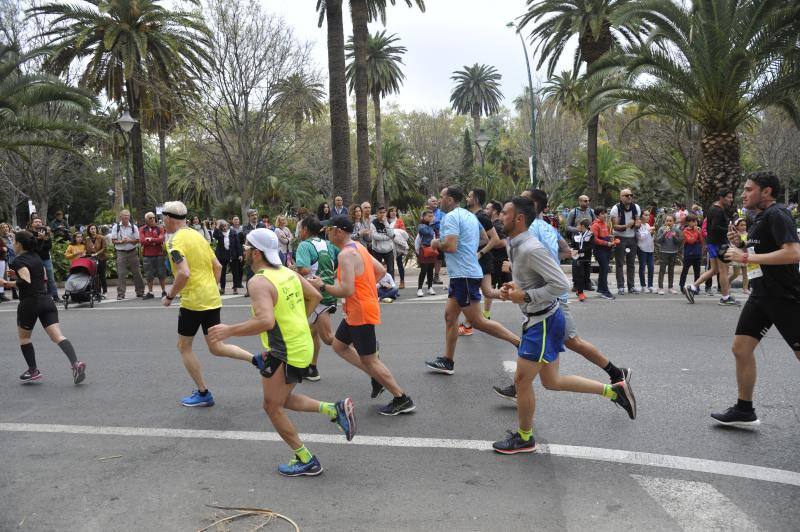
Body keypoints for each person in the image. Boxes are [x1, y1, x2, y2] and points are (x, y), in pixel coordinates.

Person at [491, 198, 635, 454]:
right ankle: (614, 392)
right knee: (552, 382)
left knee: (521, 381)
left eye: (504, 212)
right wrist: (515, 288)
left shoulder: (531, 248)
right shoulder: (514, 243)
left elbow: (561, 285)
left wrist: (524, 296)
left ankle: (525, 438)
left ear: (519, 219)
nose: (499, 216)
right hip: (540, 319)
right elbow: (531, 282)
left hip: (543, 321)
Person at [207, 228, 355, 476]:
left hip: (285, 350)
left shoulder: (258, 282)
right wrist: (298, 320)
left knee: (271, 406)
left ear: (256, 252)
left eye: (245, 248)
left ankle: (306, 458)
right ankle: (334, 409)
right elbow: (316, 295)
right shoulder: (287, 271)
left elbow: (265, 321)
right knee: (282, 399)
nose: (243, 251)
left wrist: (228, 330)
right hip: (300, 344)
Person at [710, 172, 800, 427]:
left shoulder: (778, 214)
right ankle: (744, 410)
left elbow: (793, 253)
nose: (744, 194)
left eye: (749, 189)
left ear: (767, 191)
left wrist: (747, 258)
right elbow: (763, 248)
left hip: (784, 296)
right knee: (741, 349)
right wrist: (742, 244)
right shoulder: (759, 217)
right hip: (761, 296)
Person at [309, 215, 415, 416]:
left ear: (338, 231)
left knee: (370, 360)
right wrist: (364, 288)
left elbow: (346, 290)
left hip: (360, 311)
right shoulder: (357, 247)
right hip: (358, 309)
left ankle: (401, 398)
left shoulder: (345, 255)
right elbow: (381, 270)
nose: (327, 232)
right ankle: (375, 376)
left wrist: (322, 285)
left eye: (329, 229)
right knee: (339, 346)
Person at [161, 201, 259, 407]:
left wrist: (170, 296)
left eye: (163, 218)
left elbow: (184, 272)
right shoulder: (199, 236)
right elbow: (218, 266)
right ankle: (256, 359)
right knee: (216, 346)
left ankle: (203, 393)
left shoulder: (173, 241)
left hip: (193, 302)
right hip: (212, 298)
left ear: (169, 218)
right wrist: (211, 287)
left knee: (184, 346)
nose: (163, 222)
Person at [424, 186, 520, 375]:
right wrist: (467, 248)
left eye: (442, 197)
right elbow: (484, 238)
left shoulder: (451, 217)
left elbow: (450, 246)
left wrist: (436, 244)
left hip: (464, 275)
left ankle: (520, 343)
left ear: (450, 200)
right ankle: (448, 361)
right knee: (450, 317)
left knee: (478, 321)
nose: (439, 201)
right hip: (462, 273)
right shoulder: (470, 216)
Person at [2, 230, 86, 384]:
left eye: (14, 242)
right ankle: (75, 363)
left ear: (19, 244)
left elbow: (26, 282)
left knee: (24, 338)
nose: (13, 244)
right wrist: (17, 276)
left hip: (30, 303)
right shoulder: (37, 258)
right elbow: (35, 278)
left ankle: (33, 370)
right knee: (57, 336)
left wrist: (7, 283)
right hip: (46, 300)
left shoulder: (19, 261)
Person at [294, 216, 339, 382]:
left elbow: (304, 270)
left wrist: (293, 270)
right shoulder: (328, 244)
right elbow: (339, 261)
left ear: (305, 229)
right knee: (312, 331)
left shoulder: (304, 246)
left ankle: (364, 347)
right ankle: (312, 369)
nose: (299, 232)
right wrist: (329, 275)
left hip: (316, 296)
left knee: (328, 338)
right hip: (327, 291)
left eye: (300, 228)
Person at [682, 189, 738, 305]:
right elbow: (714, 228)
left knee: (714, 269)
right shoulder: (718, 210)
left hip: (713, 243)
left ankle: (692, 287)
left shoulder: (714, 208)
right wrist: (727, 229)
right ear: (721, 198)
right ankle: (725, 297)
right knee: (723, 270)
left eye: (731, 197)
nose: (731, 199)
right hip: (720, 244)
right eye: (728, 197)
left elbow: (710, 228)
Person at [464, 188, 500, 328]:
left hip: (482, 261)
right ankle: (521, 296)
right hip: (477, 260)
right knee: (487, 292)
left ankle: (468, 324)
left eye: (469, 196)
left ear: (476, 199)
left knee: (473, 293)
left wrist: (480, 253)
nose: (467, 199)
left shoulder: (482, 217)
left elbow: (494, 239)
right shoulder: (472, 215)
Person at [610, 189, 641, 294]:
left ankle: (631, 286)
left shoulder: (636, 207)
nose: (629, 197)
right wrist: (628, 225)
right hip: (620, 237)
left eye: (631, 195)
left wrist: (637, 224)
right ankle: (620, 286)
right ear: (621, 197)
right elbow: (615, 226)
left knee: (631, 263)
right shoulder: (616, 209)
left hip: (632, 238)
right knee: (619, 263)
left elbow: (638, 222)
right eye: (626, 195)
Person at [484, 200, 511, 317]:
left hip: (499, 262)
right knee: (489, 291)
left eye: (488, 208)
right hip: (494, 262)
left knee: (508, 291)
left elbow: (504, 242)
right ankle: (485, 314)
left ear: (494, 211)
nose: (485, 210)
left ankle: (530, 303)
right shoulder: (492, 225)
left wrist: (486, 244)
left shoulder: (498, 226)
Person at [111, 210, 145, 301]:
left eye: (128, 216)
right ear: (121, 217)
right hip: (121, 252)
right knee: (121, 273)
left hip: (132, 251)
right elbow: (113, 240)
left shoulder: (134, 227)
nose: (126, 217)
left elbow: (138, 240)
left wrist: (129, 240)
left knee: (137, 272)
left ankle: (140, 291)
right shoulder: (116, 227)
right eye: (124, 216)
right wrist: (121, 241)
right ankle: (121, 293)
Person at [566, 195, 596, 292]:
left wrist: (590, 230)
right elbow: (568, 226)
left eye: (588, 200)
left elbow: (595, 223)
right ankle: (576, 284)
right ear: (579, 202)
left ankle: (587, 283)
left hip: (587, 241)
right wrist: (578, 229)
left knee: (587, 262)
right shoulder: (573, 212)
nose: (587, 202)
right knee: (576, 264)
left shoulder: (591, 212)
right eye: (585, 201)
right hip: (577, 241)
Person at [29, 216, 60, 302]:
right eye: (36, 222)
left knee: (51, 278)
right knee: (37, 278)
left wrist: (43, 239)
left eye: (39, 222)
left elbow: (48, 247)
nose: (38, 223)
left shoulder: (46, 234)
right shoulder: (30, 234)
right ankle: (41, 296)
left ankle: (55, 296)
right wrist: (39, 239)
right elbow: (33, 247)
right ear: (32, 224)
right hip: (35, 259)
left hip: (46, 259)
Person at [139, 212, 167, 299]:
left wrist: (150, 239)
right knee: (149, 274)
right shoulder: (142, 229)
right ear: (146, 220)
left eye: (153, 217)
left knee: (161, 273)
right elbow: (142, 241)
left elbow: (161, 239)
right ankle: (150, 292)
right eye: (150, 218)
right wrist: (155, 240)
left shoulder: (160, 228)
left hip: (159, 254)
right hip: (147, 255)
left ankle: (164, 291)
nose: (152, 219)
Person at [213, 219, 243, 295]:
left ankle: (235, 288)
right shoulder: (219, 233)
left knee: (235, 272)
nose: (224, 227)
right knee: (222, 272)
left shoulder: (233, 232)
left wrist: (240, 254)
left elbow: (238, 244)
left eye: (225, 225)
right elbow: (214, 236)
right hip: (222, 255)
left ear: (228, 225)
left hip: (233, 254)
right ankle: (222, 288)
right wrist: (217, 226)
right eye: (222, 226)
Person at [591, 207, 615, 300]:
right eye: (602, 213)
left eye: (605, 213)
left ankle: (601, 289)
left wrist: (612, 240)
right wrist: (606, 243)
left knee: (603, 270)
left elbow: (607, 235)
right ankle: (605, 291)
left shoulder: (605, 224)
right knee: (604, 270)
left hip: (607, 249)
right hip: (600, 250)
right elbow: (595, 239)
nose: (605, 215)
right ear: (597, 215)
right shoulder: (595, 225)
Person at [240, 209, 266, 293]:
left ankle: (262, 288)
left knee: (262, 270)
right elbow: (246, 234)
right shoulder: (245, 227)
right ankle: (249, 290)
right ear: (249, 217)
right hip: (250, 252)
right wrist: (257, 232)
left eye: (255, 215)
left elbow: (264, 234)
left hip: (261, 251)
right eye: (252, 215)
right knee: (250, 271)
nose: (255, 217)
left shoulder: (262, 225)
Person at [656, 214, 682, 295]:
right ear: (665, 222)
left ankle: (670, 287)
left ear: (674, 222)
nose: (668, 222)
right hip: (664, 252)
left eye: (670, 221)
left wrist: (674, 237)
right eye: (667, 221)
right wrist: (664, 234)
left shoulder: (676, 230)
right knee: (662, 270)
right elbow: (658, 240)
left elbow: (679, 242)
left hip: (673, 252)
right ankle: (660, 287)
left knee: (671, 270)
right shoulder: (661, 229)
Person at [571, 219, 594, 302]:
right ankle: (580, 292)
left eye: (578, 225)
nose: (577, 227)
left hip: (586, 258)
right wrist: (573, 251)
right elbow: (573, 245)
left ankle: (579, 290)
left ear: (582, 226)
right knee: (579, 275)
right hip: (578, 258)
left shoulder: (590, 235)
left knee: (585, 275)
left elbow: (590, 247)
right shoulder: (576, 234)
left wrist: (579, 251)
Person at [416, 209, 437, 297]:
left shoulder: (432, 226)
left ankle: (430, 287)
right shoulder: (421, 226)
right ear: (423, 217)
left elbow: (434, 234)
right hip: (423, 249)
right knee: (423, 269)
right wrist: (431, 225)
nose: (431, 218)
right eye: (429, 216)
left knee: (431, 269)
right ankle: (419, 289)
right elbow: (426, 232)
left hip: (431, 249)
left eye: (432, 216)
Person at [679, 214, 703, 291]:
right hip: (688, 255)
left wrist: (699, 233)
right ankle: (682, 286)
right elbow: (691, 241)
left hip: (697, 254)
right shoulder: (685, 231)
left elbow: (702, 241)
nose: (695, 223)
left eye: (696, 221)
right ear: (688, 222)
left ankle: (696, 286)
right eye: (693, 221)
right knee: (685, 271)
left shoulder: (698, 230)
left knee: (697, 272)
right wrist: (696, 233)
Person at [369, 206, 395, 278]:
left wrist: (385, 223)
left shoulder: (389, 222)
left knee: (390, 269)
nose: (382, 214)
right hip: (377, 250)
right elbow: (375, 236)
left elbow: (392, 234)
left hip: (389, 250)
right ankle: (377, 286)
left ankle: (391, 285)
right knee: (377, 269)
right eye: (380, 213)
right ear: (377, 214)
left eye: (384, 212)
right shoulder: (373, 223)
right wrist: (387, 237)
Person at [727, 218, 750, 295]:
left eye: (745, 225)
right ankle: (727, 282)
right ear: (737, 226)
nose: (744, 227)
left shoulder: (747, 234)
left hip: (746, 255)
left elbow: (748, 244)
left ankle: (745, 288)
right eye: (741, 225)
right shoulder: (734, 234)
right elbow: (734, 244)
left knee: (745, 273)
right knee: (736, 274)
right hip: (737, 255)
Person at [388, 206, 408, 289]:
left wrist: (395, 234)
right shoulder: (386, 222)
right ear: (388, 213)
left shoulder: (399, 221)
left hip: (397, 245)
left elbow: (404, 233)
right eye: (392, 211)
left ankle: (402, 281)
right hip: (388, 245)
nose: (393, 212)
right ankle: (391, 282)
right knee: (390, 265)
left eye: (395, 211)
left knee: (400, 264)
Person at [635, 211, 655, 293]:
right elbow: (640, 237)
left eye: (648, 215)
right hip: (641, 248)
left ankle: (650, 285)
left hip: (650, 249)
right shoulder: (638, 226)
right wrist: (649, 231)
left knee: (651, 267)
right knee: (642, 267)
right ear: (641, 216)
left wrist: (652, 234)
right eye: (645, 215)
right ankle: (643, 285)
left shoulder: (648, 225)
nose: (648, 217)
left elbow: (649, 237)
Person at [85, 224, 108, 296]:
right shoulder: (87, 239)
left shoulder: (101, 238)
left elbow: (104, 248)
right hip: (92, 260)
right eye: (91, 229)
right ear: (89, 230)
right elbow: (86, 249)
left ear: (96, 229)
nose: (93, 230)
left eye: (94, 228)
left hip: (101, 258)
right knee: (94, 276)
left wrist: (97, 253)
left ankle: (105, 291)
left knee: (102, 275)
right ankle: (97, 292)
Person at [428, 196, 445, 285]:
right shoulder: (425, 213)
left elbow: (444, 222)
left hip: (439, 237)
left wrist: (435, 221)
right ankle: (430, 277)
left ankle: (437, 276)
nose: (435, 202)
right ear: (428, 203)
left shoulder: (441, 213)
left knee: (439, 257)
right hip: (428, 238)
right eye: (433, 201)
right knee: (430, 257)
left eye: (436, 201)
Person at [0, 223, 12, 302]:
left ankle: (1, 293)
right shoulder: (1, 238)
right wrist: (3, 248)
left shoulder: (10, 237)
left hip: (5, 258)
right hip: (2, 258)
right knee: (1, 276)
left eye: (6, 227)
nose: (5, 228)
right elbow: (4, 248)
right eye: (3, 227)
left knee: (3, 276)